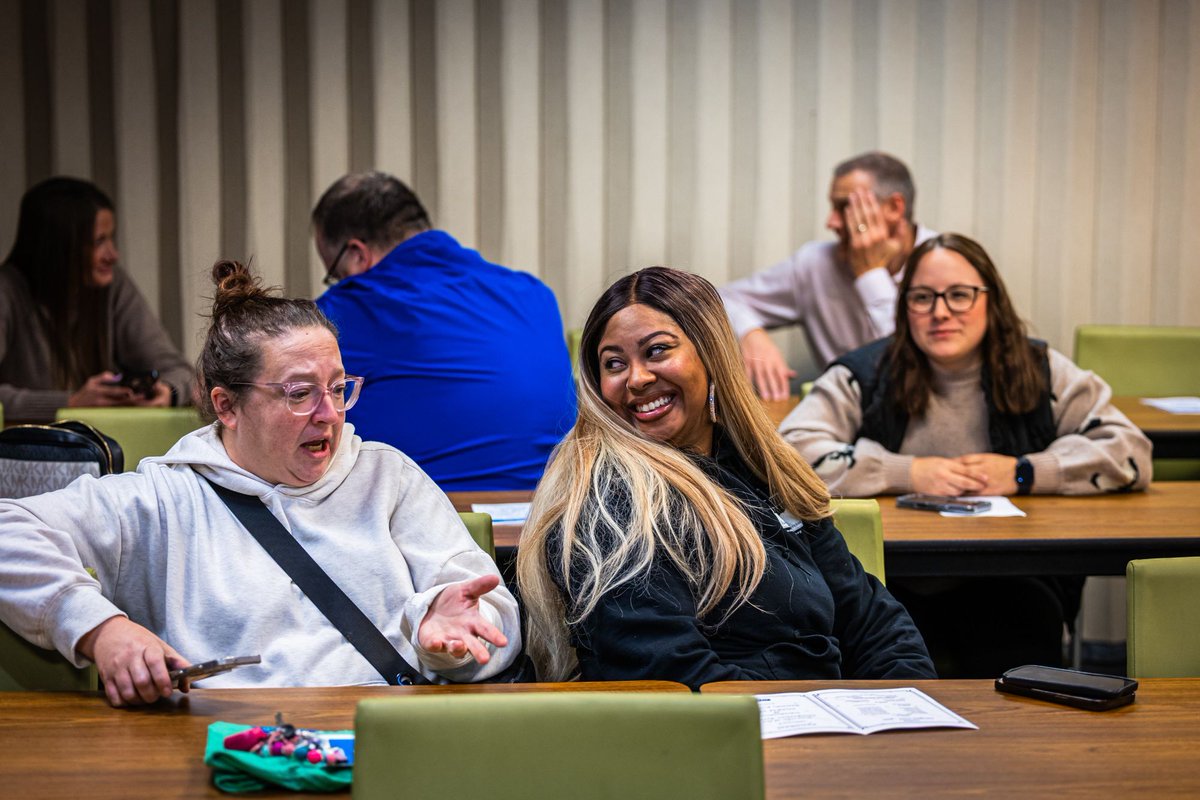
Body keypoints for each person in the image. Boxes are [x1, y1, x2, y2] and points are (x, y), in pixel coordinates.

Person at [0, 260, 520, 707]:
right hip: (231, 751)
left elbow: (494, 619)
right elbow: (8, 530)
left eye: (338, 389)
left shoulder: (387, 478)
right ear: (226, 405)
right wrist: (99, 629)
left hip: (381, 739)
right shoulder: (163, 499)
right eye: (299, 394)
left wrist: (442, 642)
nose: (328, 415)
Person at [516, 266, 934, 689]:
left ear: (711, 354)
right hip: (728, 740)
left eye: (657, 351)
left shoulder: (763, 470)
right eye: (614, 364)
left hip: (820, 724)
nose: (637, 378)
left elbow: (871, 619)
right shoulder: (611, 500)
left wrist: (911, 707)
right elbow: (669, 674)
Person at [779, 233, 1151, 675]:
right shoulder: (865, 372)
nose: (941, 312)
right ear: (904, 308)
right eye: (922, 297)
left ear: (990, 301)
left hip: (1012, 579)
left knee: (1017, 642)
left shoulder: (1042, 370)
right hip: (887, 579)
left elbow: (1129, 451)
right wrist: (906, 472)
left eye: (959, 295)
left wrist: (1024, 472)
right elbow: (789, 453)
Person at [311, 171, 576, 491]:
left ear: (357, 254)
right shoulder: (535, 293)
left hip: (429, 524)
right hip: (549, 513)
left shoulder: (344, 311)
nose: (341, 285)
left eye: (337, 275)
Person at [719, 152, 936, 401]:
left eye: (844, 207)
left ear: (894, 207)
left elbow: (911, 365)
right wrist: (749, 332)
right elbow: (717, 299)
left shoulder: (944, 265)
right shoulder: (815, 264)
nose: (830, 222)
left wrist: (870, 274)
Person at [0, 177, 193, 422]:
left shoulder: (113, 287)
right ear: (59, 249)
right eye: (99, 241)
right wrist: (69, 403)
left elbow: (181, 372)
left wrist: (167, 392)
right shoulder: (7, 290)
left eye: (111, 238)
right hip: (24, 451)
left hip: (105, 447)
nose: (113, 255)